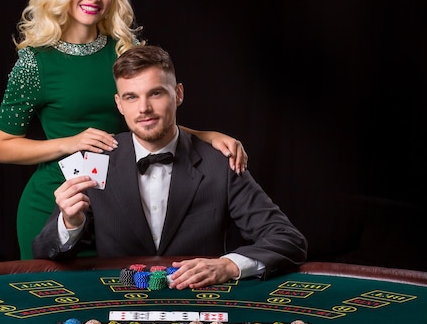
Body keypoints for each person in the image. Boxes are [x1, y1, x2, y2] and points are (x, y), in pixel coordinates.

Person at [0, 0, 248, 260]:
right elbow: (2, 146)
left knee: (123, 299)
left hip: (119, 205)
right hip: (55, 201)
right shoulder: (34, 62)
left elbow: (149, 119)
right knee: (57, 307)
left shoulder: (126, 48)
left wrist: (207, 137)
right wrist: (70, 142)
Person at [32, 45, 308, 289]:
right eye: (131, 97)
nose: (144, 108)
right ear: (119, 104)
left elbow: (287, 239)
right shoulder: (94, 160)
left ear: (178, 94)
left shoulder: (220, 164)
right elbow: (44, 252)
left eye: (156, 93)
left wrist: (229, 265)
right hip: (118, 303)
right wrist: (70, 223)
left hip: (199, 300)